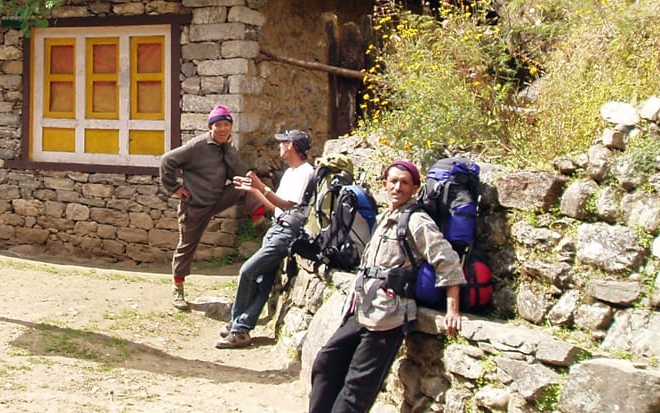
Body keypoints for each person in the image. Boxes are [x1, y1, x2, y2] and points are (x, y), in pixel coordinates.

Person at [308, 160, 465, 413]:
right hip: (361, 309)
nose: (397, 187)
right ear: (384, 185)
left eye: (404, 183)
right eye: (393, 181)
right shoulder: (385, 218)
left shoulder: (417, 221)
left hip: (389, 315)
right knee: (326, 362)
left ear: (415, 188)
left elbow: (447, 261)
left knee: (357, 387)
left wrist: (452, 309)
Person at [160, 104, 268, 310]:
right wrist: (174, 187)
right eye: (217, 125)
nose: (222, 129)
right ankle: (178, 289)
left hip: (218, 199)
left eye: (226, 125)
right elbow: (167, 161)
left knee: (244, 186)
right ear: (210, 127)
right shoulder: (197, 146)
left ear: (231, 127)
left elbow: (239, 173)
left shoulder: (228, 148)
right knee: (186, 246)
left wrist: (228, 149)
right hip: (195, 205)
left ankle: (259, 220)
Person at [216, 129, 315, 349]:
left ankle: (238, 325)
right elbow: (275, 207)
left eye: (283, 143)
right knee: (263, 282)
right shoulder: (290, 173)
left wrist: (261, 187)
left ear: (291, 146)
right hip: (277, 228)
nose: (280, 146)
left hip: (285, 234)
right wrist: (254, 190)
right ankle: (241, 327)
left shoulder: (306, 172)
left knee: (248, 271)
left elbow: (288, 205)